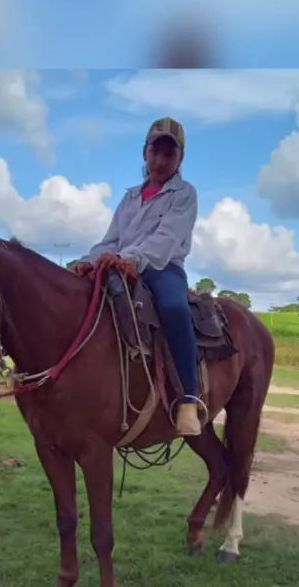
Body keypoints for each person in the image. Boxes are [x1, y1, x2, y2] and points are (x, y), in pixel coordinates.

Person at [72, 116, 202, 437]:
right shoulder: (130, 197)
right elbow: (111, 240)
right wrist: (88, 261)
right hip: (121, 263)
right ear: (145, 152)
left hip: (162, 268)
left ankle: (188, 398)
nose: (160, 161)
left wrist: (128, 259)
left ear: (180, 158)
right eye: (155, 152)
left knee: (174, 308)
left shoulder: (184, 194)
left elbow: (165, 240)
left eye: (169, 154)